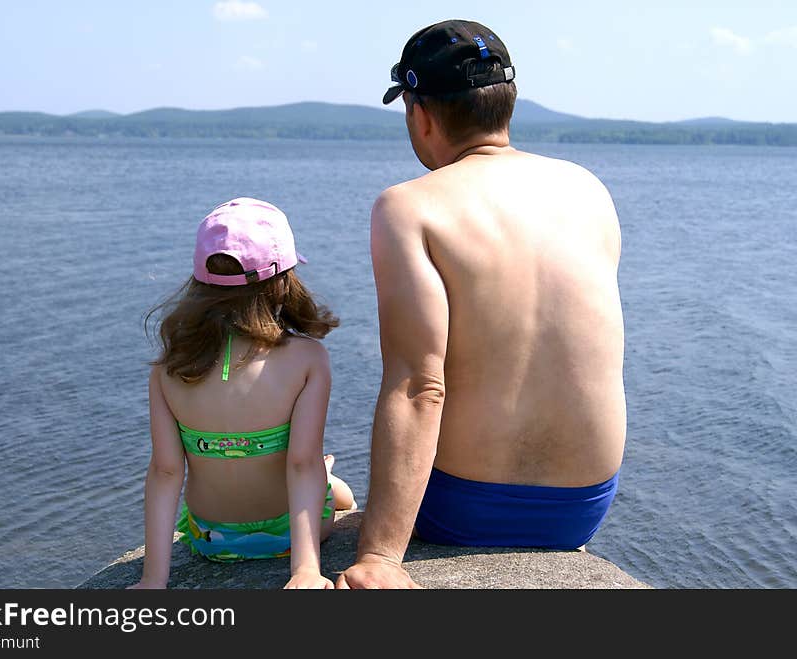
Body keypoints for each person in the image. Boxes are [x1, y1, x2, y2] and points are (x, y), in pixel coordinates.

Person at [336, 19, 627, 589]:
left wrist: (379, 557)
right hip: (581, 507)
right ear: (506, 104)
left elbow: (419, 386)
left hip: (462, 508)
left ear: (419, 114)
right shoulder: (589, 189)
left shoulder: (408, 208)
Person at [129, 197, 356, 590]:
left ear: (200, 282)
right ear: (284, 278)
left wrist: (153, 580)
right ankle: (333, 482)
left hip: (212, 539)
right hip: (289, 535)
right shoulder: (307, 359)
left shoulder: (168, 368)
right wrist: (305, 572)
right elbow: (302, 466)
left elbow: (165, 472)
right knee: (339, 491)